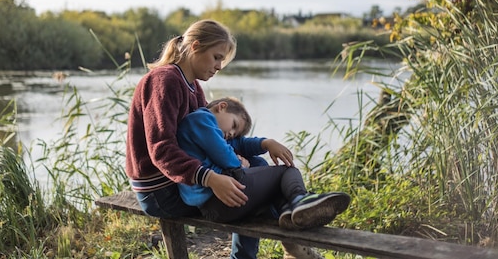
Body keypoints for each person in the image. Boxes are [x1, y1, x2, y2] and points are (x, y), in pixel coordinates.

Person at [125, 19, 262, 259]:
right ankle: (287, 228)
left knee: (257, 167)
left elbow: (207, 140)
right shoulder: (164, 81)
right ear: (196, 46)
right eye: (216, 57)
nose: (219, 66)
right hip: (161, 191)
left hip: (181, 183)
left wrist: (256, 148)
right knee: (251, 193)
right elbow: (161, 149)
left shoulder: (193, 87)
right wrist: (210, 178)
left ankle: (291, 216)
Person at [176, 97, 351, 231]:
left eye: (235, 133)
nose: (231, 133)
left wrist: (266, 143)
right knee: (286, 171)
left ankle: (287, 210)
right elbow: (224, 155)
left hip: (218, 205)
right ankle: (299, 200)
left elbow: (241, 144)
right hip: (219, 197)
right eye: (234, 125)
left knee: (258, 162)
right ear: (222, 107)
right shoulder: (201, 119)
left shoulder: (217, 132)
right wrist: (239, 164)